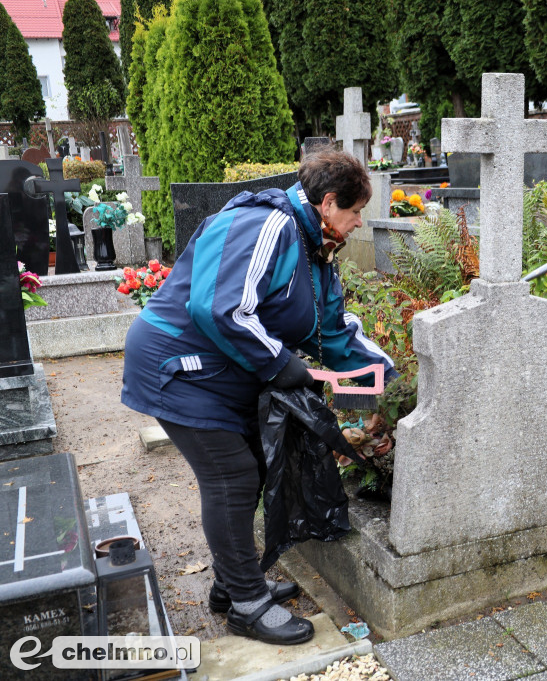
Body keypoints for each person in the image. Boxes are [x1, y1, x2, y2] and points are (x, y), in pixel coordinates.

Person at [121, 149, 397, 644]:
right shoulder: (265, 224)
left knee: (248, 468)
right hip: (177, 366)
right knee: (232, 475)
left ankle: (233, 586)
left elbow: (329, 331)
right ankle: (247, 605)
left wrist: (386, 375)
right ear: (329, 202)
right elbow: (220, 308)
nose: (360, 222)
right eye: (355, 212)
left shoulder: (318, 249)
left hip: (224, 373)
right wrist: (280, 363)